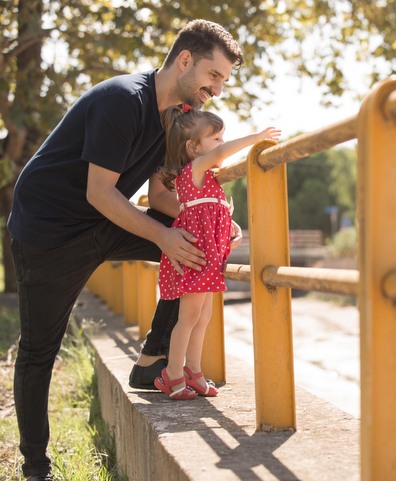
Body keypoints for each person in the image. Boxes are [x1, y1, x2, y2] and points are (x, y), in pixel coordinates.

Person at [7, 19, 244, 481]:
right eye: (214, 76)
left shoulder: (175, 118)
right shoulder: (123, 99)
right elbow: (100, 191)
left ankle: (152, 362)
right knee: (39, 351)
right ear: (184, 60)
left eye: (224, 81)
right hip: (49, 232)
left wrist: (211, 218)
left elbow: (159, 198)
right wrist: (163, 236)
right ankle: (36, 467)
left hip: (104, 220)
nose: (217, 88)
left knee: (197, 246)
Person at [153, 105, 280, 399]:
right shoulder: (194, 170)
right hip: (197, 259)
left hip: (208, 259)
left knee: (203, 317)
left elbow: (212, 217)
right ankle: (172, 375)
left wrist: (230, 231)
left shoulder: (209, 180)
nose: (221, 145)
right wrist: (257, 137)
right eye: (217, 139)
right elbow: (219, 157)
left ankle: (193, 371)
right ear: (194, 147)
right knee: (188, 318)